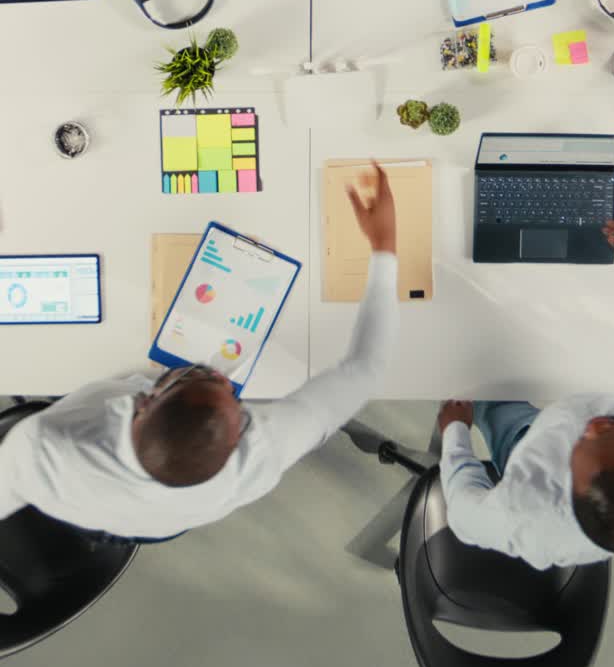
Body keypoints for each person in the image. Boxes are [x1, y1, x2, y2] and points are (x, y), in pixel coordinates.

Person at [0, 164, 397, 542]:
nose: (222, 374)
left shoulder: (37, 452)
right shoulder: (262, 455)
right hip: (158, 516)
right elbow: (368, 369)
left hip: (92, 503)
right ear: (236, 444)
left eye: (199, 376)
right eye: (233, 397)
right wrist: (385, 247)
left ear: (142, 400)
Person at [439, 219, 614, 569]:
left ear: (567, 491)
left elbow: (464, 512)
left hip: (532, 437)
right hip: (604, 392)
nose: (590, 425)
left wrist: (455, 434)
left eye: (579, 446)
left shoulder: (529, 514)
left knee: (465, 367)